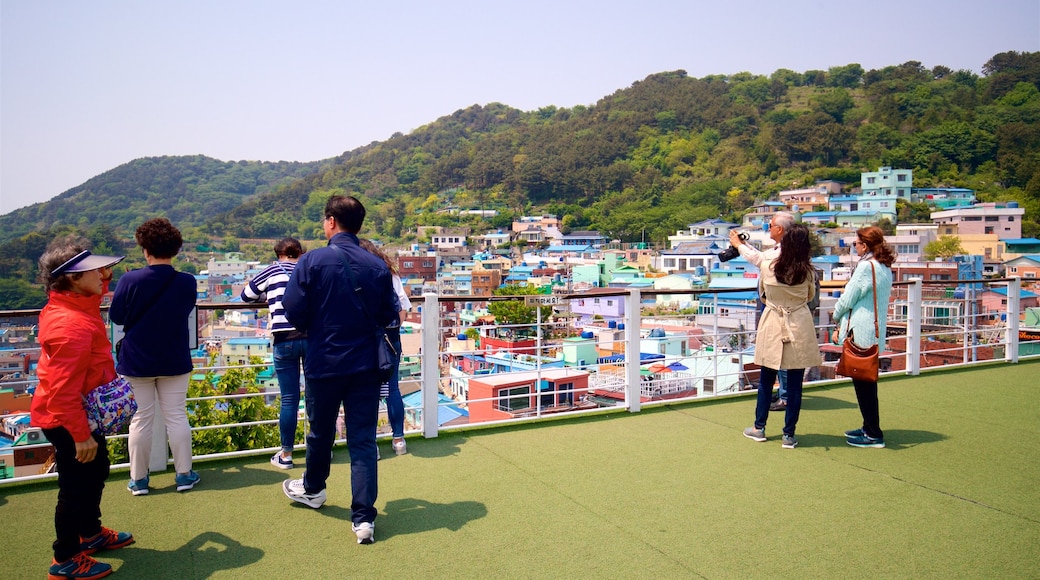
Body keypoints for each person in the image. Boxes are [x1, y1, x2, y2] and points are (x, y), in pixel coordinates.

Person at [281, 195, 399, 545]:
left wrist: (318, 323)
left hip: (324, 361)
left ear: (331, 221)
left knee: (320, 433)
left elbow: (293, 310)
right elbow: (388, 313)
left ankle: (314, 489)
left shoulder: (312, 260)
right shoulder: (377, 265)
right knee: (362, 439)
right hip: (365, 364)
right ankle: (363, 518)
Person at [31, 237, 133, 579]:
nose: (105, 274)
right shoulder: (70, 324)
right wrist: (79, 435)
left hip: (83, 413)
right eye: (96, 270)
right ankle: (66, 558)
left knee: (95, 472)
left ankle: (90, 533)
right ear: (74, 278)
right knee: (75, 486)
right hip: (70, 418)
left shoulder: (75, 308)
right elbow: (61, 390)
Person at [109, 218, 199, 495]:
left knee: (141, 418)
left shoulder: (130, 279)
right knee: (176, 416)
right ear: (174, 249)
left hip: (137, 359)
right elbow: (185, 311)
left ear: (145, 249)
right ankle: (184, 475)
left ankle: (139, 480)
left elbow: (117, 316)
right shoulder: (187, 281)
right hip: (174, 356)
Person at [733, 223, 821, 449]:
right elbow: (810, 295)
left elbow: (762, 292)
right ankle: (789, 435)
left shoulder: (768, 264)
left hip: (773, 320)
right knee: (795, 384)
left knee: (766, 378)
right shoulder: (808, 270)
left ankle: (759, 428)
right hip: (799, 322)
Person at [241, 238, 307, 469]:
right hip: (311, 338)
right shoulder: (308, 269)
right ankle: (320, 450)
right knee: (316, 396)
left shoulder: (271, 270)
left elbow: (246, 295)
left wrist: (268, 296)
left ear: (278, 253)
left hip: (284, 340)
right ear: (299, 253)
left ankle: (286, 455)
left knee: (289, 398)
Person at [832, 225, 895, 448]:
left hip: (862, 330)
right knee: (866, 381)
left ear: (865, 245)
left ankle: (873, 433)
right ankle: (868, 426)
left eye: (856, 244)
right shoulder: (885, 267)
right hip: (876, 331)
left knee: (863, 383)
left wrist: (835, 314)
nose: (855, 247)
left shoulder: (866, 267)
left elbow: (849, 297)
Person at [732, 211, 795, 411]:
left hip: (780, 308)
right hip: (780, 305)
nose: (769, 227)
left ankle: (785, 397)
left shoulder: (784, 251)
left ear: (780, 229)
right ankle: (784, 393)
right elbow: (762, 256)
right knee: (780, 352)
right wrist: (743, 245)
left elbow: (760, 260)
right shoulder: (784, 248)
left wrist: (740, 246)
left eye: (771, 224)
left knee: (781, 352)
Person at [359, 238, 412, 456]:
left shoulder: (357, 274)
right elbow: (403, 306)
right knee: (392, 388)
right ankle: (398, 439)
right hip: (390, 338)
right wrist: (393, 328)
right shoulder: (390, 274)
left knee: (366, 391)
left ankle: (371, 444)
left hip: (363, 339)